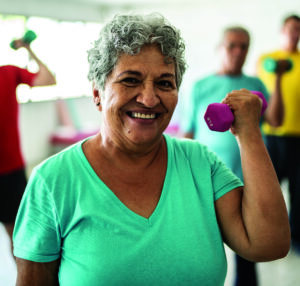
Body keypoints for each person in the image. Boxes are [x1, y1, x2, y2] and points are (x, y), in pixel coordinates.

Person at [13, 14, 290, 286]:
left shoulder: (201, 163)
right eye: (130, 80)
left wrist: (249, 132)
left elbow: (268, 244)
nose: (149, 98)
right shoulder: (52, 181)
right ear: (98, 93)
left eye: (164, 83)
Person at [182, 26, 284, 286]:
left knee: (249, 248)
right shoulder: (201, 86)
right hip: (209, 181)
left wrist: (278, 81)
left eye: (244, 46)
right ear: (220, 48)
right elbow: (188, 133)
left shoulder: (255, 85)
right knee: (203, 246)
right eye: (232, 45)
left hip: (248, 179)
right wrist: (184, 179)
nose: (238, 52)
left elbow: (277, 120)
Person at [0, 36, 56, 258]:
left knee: (17, 234)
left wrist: (29, 49)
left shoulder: (8, 73)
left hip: (9, 170)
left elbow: (48, 79)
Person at [257, 14, 300, 254]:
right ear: (282, 30)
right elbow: (258, 92)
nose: (295, 33)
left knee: (299, 190)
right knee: (269, 188)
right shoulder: (267, 60)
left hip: (298, 136)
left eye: (299, 30)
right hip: (271, 134)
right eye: (291, 29)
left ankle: (295, 238)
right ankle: (265, 232)